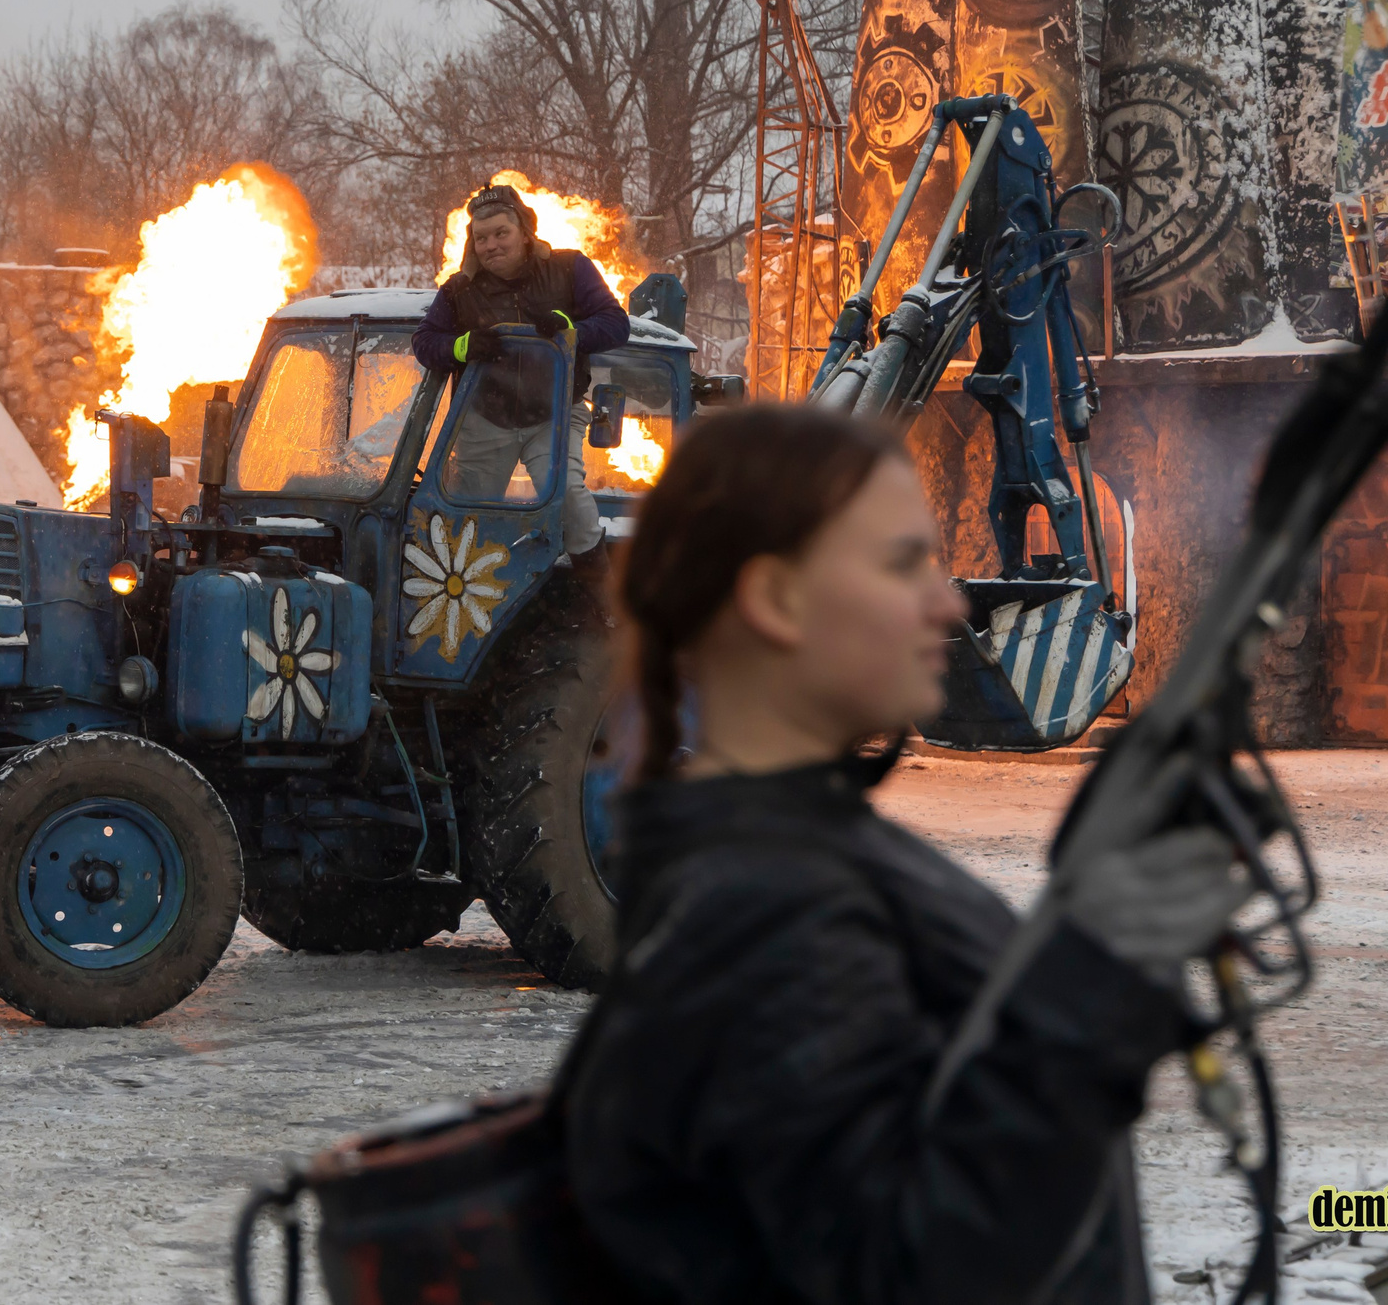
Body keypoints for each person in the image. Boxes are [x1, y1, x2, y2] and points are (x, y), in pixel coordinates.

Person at [568, 404, 1252, 1304]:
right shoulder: (760, 911)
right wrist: (1093, 981)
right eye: (903, 563)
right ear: (774, 598)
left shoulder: (793, 855)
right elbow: (904, 1267)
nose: (950, 600)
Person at [412, 182, 630, 561]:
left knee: (567, 498)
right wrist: (460, 346)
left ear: (525, 233)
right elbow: (425, 342)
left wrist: (570, 329)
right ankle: (464, 607)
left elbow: (616, 323)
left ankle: (598, 601)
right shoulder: (459, 289)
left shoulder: (569, 268)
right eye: (481, 238)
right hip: (484, 419)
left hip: (554, 414)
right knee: (465, 519)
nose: (491, 245)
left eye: (501, 233)